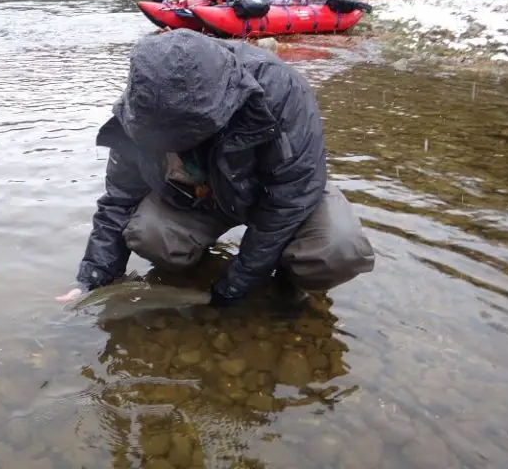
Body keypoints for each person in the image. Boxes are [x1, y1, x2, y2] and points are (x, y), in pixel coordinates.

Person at [57, 29, 375, 306]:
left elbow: (290, 201)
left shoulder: (282, 91)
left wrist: (235, 284)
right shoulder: (142, 109)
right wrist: (92, 280)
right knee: (149, 235)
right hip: (200, 198)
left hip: (273, 195)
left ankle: (287, 282)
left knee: (338, 249)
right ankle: (200, 264)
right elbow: (119, 202)